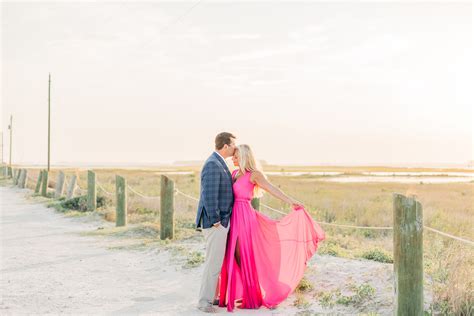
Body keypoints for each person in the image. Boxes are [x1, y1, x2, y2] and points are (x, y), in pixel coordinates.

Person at [218, 144, 325, 312]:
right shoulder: (234, 174)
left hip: (245, 218)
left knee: (244, 255)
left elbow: (271, 188)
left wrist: (290, 201)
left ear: (245, 157)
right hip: (233, 217)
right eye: (233, 156)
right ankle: (246, 294)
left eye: (237, 156)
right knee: (235, 256)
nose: (233, 158)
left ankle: (252, 297)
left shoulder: (254, 175)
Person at [195, 132, 237, 313]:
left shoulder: (219, 162)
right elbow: (209, 195)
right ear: (226, 146)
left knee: (216, 263)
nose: (236, 148)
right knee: (213, 264)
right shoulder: (213, 164)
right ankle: (204, 302)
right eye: (234, 145)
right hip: (216, 224)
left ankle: (211, 298)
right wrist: (216, 220)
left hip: (220, 222)